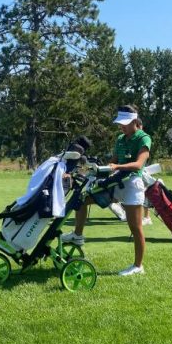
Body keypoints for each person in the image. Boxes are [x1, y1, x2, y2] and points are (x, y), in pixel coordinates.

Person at [62, 105, 151, 276]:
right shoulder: (120, 139)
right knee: (81, 199)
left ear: (134, 121)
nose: (121, 127)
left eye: (125, 123)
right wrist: (92, 170)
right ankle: (77, 234)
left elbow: (139, 164)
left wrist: (116, 166)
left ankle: (138, 266)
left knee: (135, 227)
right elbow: (113, 161)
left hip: (133, 184)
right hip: (116, 182)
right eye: (120, 124)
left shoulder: (144, 138)